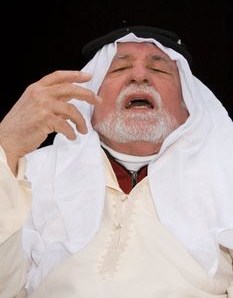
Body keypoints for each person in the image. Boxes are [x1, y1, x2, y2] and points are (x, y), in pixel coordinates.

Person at [0, 25, 233, 298]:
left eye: (158, 70)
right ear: (89, 99)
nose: (139, 76)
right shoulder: (30, 171)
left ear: (188, 106)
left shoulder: (224, 175)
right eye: (119, 69)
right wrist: (7, 142)